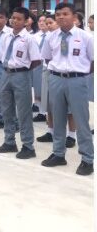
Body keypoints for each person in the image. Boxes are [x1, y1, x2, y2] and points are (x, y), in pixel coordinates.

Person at [40, 3, 94, 176]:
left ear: (74, 17)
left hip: (77, 81)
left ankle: (87, 159)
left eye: (65, 14)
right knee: (57, 117)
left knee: (81, 119)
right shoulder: (51, 37)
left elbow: (92, 61)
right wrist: (58, 73)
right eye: (58, 14)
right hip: (56, 79)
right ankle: (58, 154)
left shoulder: (85, 37)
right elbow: (48, 58)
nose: (61, 17)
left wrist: (78, 74)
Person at [0, 7, 41, 160]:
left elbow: (35, 60)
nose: (15, 21)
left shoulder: (29, 39)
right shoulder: (6, 36)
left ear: (26, 21)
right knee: (7, 110)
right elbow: (3, 55)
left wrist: (22, 69)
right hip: (6, 74)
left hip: (21, 75)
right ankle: (9, 141)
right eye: (13, 17)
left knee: (23, 112)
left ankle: (28, 146)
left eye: (19, 19)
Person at [36, 14, 78, 147]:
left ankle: (71, 135)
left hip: (68, 75)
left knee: (70, 108)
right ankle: (51, 131)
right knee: (50, 104)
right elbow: (46, 57)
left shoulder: (73, 36)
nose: (48, 25)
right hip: (50, 72)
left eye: (51, 23)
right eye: (46, 23)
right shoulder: (49, 37)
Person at [32, 14, 48, 119]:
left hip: (47, 64)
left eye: (44, 21)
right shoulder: (34, 36)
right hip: (37, 64)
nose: (41, 23)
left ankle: (44, 112)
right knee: (37, 87)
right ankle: (38, 107)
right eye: (40, 21)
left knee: (45, 89)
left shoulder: (52, 35)